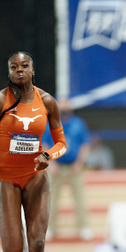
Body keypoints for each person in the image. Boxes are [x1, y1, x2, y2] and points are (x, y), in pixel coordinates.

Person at [0, 51, 67, 252]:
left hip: (36, 179)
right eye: (13, 67)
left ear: (33, 70)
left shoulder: (47, 102)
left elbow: (61, 143)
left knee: (39, 242)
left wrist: (48, 156)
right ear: (8, 72)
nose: (19, 70)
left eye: (24, 66)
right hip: (6, 179)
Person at [43, 99, 92, 240]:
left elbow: (85, 144)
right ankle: (50, 228)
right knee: (51, 200)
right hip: (56, 167)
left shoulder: (79, 124)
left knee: (80, 199)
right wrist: (50, 163)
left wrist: (80, 163)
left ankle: (83, 228)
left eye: (66, 108)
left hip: (74, 168)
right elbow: (44, 143)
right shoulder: (50, 124)